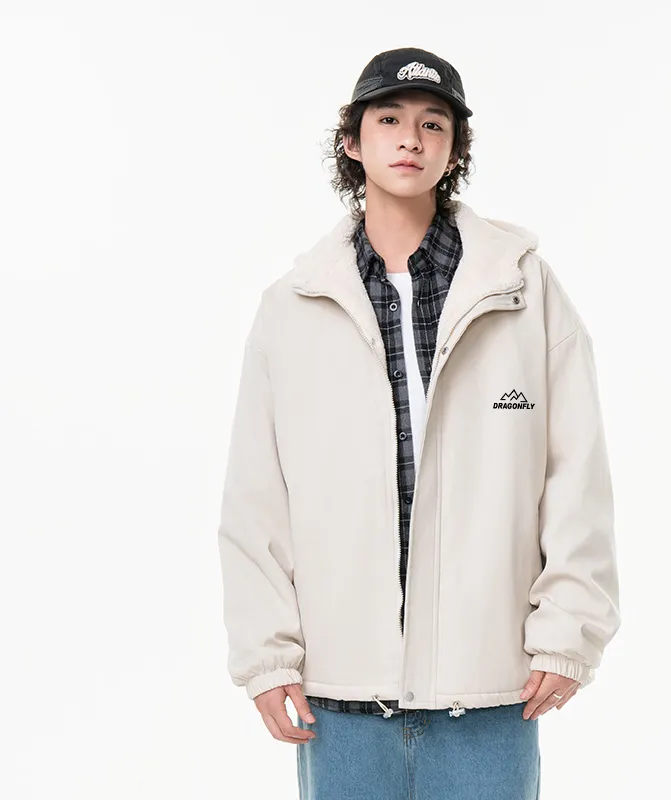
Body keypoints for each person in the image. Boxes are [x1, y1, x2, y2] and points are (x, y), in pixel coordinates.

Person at [217, 46, 621, 800]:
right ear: (352, 140)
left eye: (434, 124)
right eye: (390, 120)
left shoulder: (523, 288)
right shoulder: (292, 306)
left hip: (492, 693)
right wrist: (266, 658)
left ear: (455, 149)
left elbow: (576, 472)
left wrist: (569, 632)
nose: (411, 138)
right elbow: (255, 496)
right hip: (341, 701)